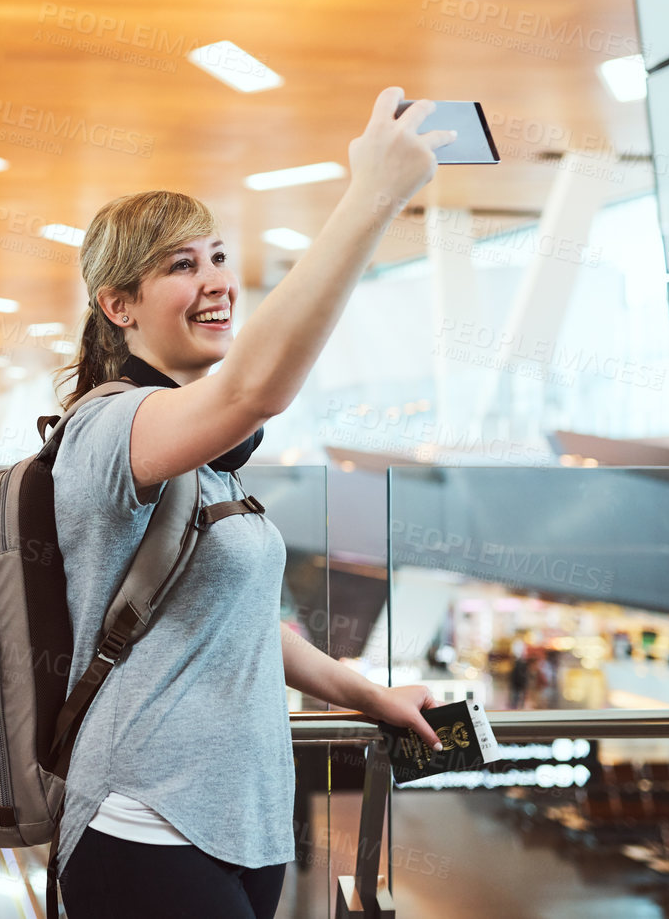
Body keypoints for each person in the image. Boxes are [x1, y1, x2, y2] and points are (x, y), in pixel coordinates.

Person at [51, 88, 453, 919]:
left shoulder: (208, 466)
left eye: (219, 256)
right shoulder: (109, 430)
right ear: (116, 306)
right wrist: (373, 193)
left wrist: (371, 696)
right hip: (141, 824)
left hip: (242, 822)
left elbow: (236, 623)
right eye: (179, 265)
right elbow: (257, 387)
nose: (216, 283)